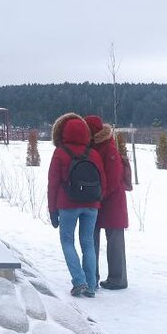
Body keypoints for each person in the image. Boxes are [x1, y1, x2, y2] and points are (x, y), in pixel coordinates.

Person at [47, 112, 106, 298]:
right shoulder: (94, 154)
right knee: (88, 243)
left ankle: (78, 281)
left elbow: (53, 183)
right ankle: (90, 285)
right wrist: (96, 201)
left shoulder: (60, 153)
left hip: (68, 204)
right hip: (92, 205)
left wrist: (52, 210)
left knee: (67, 241)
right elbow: (103, 181)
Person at [85, 115, 130, 290]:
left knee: (114, 242)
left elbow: (113, 178)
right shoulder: (96, 146)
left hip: (111, 202)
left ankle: (117, 279)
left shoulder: (108, 148)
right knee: (93, 239)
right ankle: (93, 277)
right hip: (99, 200)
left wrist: (99, 195)